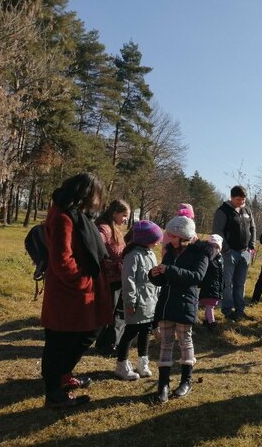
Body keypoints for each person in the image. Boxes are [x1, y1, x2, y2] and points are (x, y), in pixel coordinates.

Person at [40, 172, 112, 408]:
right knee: (59, 342)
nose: (97, 202)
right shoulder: (63, 217)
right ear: (86, 194)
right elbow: (62, 260)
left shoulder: (76, 215)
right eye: (96, 196)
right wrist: (84, 283)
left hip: (79, 291)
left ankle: (62, 376)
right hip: (69, 292)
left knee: (87, 334)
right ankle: (54, 393)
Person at [150, 215, 210, 402]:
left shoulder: (201, 253)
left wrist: (169, 270)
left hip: (185, 304)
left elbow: (196, 277)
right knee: (166, 343)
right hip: (166, 304)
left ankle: (186, 381)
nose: (170, 239)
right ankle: (163, 385)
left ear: (184, 236)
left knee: (185, 342)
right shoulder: (170, 252)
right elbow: (164, 278)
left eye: (173, 236)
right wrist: (154, 275)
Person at [115, 220, 163, 381]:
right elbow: (128, 280)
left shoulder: (150, 254)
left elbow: (153, 279)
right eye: (155, 240)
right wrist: (130, 302)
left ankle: (143, 362)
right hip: (137, 303)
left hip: (150, 302)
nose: (157, 243)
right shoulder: (133, 256)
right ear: (146, 240)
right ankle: (121, 364)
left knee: (146, 332)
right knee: (130, 333)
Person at [212, 185, 256, 321]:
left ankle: (240, 309)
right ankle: (227, 310)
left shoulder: (247, 210)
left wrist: (251, 246)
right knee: (227, 283)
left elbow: (253, 228)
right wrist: (225, 249)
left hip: (244, 253)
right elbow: (217, 231)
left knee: (240, 283)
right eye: (238, 199)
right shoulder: (223, 211)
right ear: (231, 197)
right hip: (229, 253)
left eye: (243, 199)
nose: (241, 202)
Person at [94, 199, 130, 356]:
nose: (125, 219)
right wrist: (107, 262)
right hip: (108, 279)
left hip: (116, 277)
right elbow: (96, 246)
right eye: (124, 215)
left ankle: (106, 343)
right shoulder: (103, 228)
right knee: (108, 312)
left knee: (114, 312)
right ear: (114, 213)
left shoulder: (113, 227)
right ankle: (104, 343)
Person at [199, 234, 225, 331]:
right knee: (210, 306)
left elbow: (221, 274)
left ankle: (206, 320)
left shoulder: (220, 259)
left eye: (217, 247)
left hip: (216, 287)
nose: (215, 249)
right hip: (208, 286)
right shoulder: (207, 258)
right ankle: (211, 322)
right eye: (212, 246)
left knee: (210, 305)